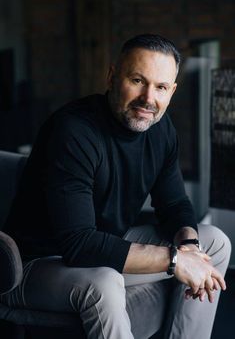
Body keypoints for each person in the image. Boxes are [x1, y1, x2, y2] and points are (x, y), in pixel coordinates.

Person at [2, 34, 231, 339]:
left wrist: (189, 247)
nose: (148, 98)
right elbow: (78, 244)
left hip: (104, 244)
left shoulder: (160, 129)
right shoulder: (73, 132)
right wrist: (175, 260)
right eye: (137, 80)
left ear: (172, 91)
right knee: (105, 283)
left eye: (161, 87)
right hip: (32, 265)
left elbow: (175, 205)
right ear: (112, 76)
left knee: (213, 241)